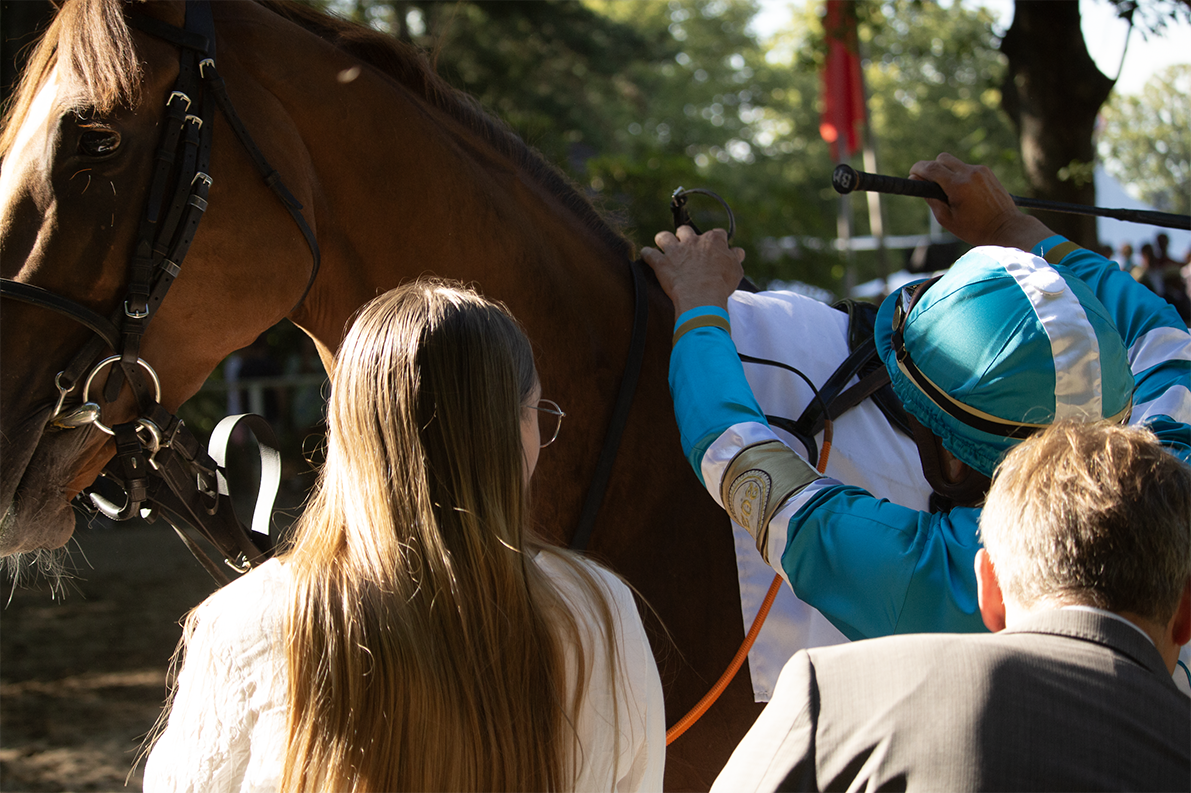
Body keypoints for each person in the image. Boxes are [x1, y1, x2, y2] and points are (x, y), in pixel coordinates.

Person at [640, 152, 1191, 648]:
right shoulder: (1175, 455)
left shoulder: (967, 576)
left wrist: (700, 305)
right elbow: (1163, 337)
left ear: (956, 465)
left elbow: (736, 456)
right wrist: (1007, 225)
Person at [143, 280, 665, 792]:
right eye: (537, 415)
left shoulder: (245, 621)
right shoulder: (600, 609)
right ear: (510, 430)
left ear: (347, 430)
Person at [709, 420, 1191, 792]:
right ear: (1186, 615)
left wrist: (699, 323)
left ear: (990, 592)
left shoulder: (832, 697)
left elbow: (758, 479)